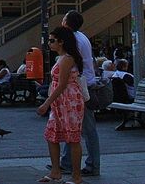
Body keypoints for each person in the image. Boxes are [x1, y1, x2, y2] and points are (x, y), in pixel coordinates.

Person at [37, 26, 85, 184]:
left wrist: (46, 103)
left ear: (62, 42)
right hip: (60, 100)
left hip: (69, 100)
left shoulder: (67, 58)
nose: (49, 43)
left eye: (52, 40)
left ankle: (76, 176)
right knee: (52, 135)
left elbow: (62, 84)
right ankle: (55, 171)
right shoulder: (61, 58)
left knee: (73, 138)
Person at [58, 10, 99, 178]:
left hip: (80, 87)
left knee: (87, 128)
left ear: (67, 23)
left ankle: (92, 164)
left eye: (63, 18)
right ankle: (67, 162)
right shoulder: (82, 37)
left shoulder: (73, 40)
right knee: (73, 125)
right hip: (85, 84)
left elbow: (71, 64)